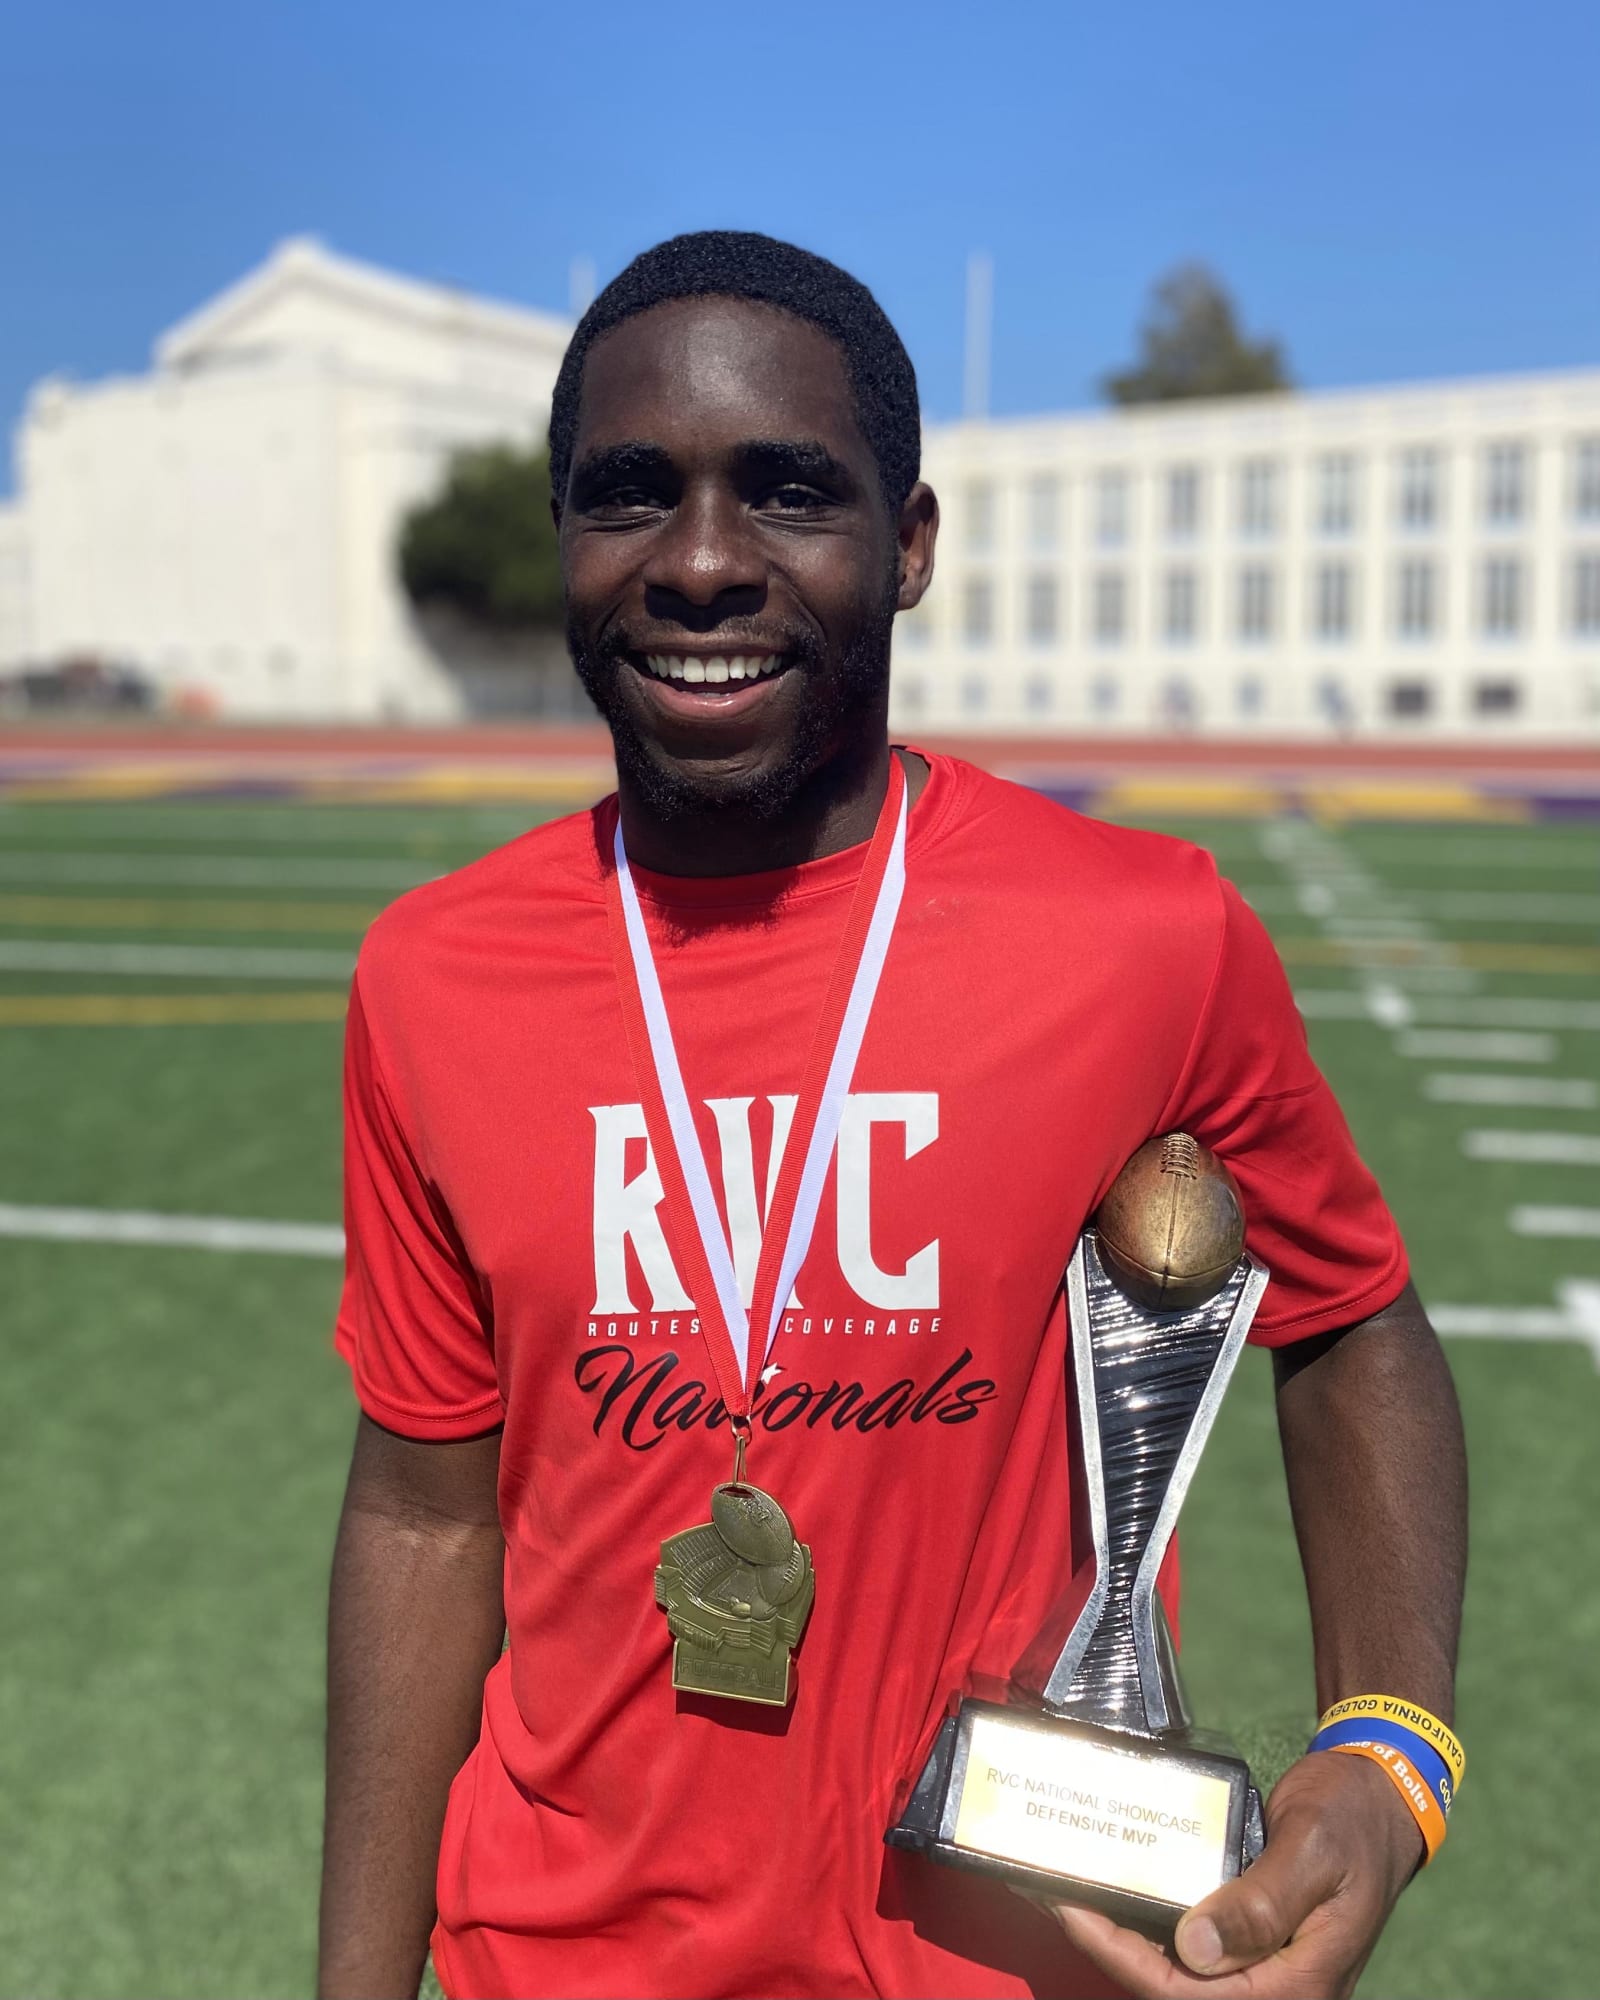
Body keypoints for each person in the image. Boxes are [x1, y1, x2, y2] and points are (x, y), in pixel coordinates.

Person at [319, 231, 1467, 2000]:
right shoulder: (431, 977)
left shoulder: (1145, 938)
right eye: (632, 495)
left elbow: (1353, 1323)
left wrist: (1391, 1755)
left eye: (789, 492)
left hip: (1010, 1961)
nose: (704, 561)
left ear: (910, 545)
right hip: (543, 1961)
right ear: (564, 541)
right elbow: (421, 1514)